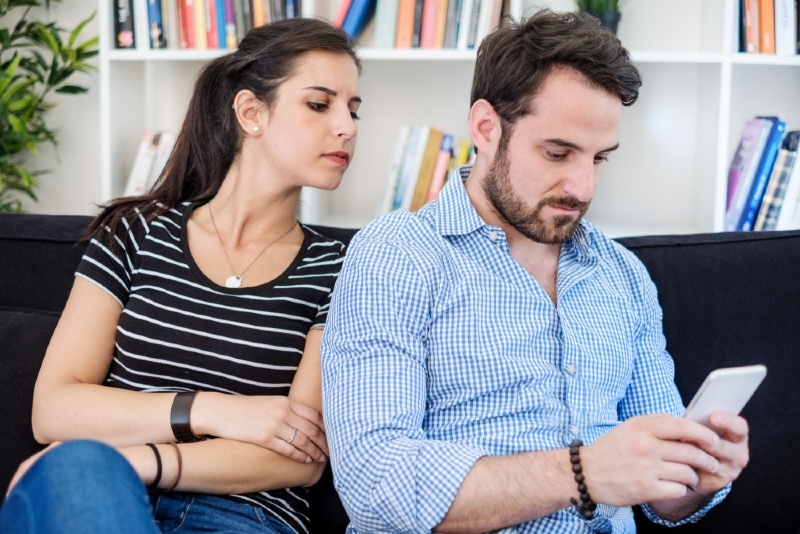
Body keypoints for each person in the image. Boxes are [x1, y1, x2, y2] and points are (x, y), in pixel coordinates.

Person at [320, 10, 750, 533]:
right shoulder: (398, 256)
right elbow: (376, 486)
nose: (582, 187)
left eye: (599, 159)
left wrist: (696, 477)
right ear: (486, 128)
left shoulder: (623, 277)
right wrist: (584, 472)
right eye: (558, 152)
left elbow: (664, 498)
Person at [0, 17, 362, 534]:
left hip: (240, 514)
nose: (347, 126)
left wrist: (145, 460)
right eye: (319, 104)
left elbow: (299, 456)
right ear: (251, 112)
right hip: (103, 492)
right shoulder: (134, 233)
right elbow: (54, 407)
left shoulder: (343, 268)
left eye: (353, 109)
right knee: (77, 468)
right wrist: (214, 412)